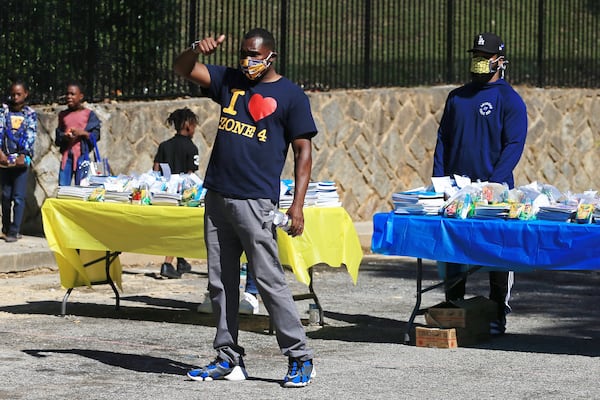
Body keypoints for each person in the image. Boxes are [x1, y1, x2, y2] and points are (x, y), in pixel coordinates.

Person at [174, 28, 316, 387]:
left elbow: (303, 151)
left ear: (271, 56)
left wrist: (296, 205)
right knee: (220, 283)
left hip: (256, 201)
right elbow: (184, 68)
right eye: (243, 54)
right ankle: (227, 357)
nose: (247, 61)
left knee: (269, 280)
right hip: (218, 195)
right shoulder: (230, 80)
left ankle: (300, 357)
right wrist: (196, 49)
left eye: (255, 55)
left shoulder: (291, 95)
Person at [432, 32, 528, 336]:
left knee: (498, 252)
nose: (479, 62)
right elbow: (443, 140)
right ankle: (454, 306)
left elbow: (514, 145)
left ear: (499, 61)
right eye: (475, 55)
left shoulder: (509, 99)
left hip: (494, 195)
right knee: (454, 249)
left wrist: (494, 184)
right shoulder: (457, 97)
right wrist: (440, 181)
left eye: (484, 57)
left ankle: (498, 311)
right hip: (457, 193)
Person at [152, 107, 199, 279]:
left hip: (163, 193)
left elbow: (155, 169)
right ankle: (167, 263)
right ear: (188, 126)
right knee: (178, 229)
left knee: (171, 226)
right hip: (180, 193)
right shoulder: (191, 148)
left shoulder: (164, 146)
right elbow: (191, 174)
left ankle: (181, 261)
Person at [0, 79, 37, 242]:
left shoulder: (29, 114)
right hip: (4, 161)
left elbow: (31, 134)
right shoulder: (4, 112)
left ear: (25, 94)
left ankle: (15, 231)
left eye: (19, 94)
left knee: (18, 197)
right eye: (13, 94)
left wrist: (24, 154)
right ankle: (6, 227)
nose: (15, 97)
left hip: (22, 162)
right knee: (6, 196)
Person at [55, 81, 101, 186]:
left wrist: (82, 133)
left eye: (72, 94)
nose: (69, 97)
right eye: (67, 94)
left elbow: (96, 135)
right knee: (63, 188)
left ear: (81, 96)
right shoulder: (63, 115)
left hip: (82, 157)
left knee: (82, 187)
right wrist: (65, 137)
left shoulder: (89, 115)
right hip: (67, 158)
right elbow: (58, 137)